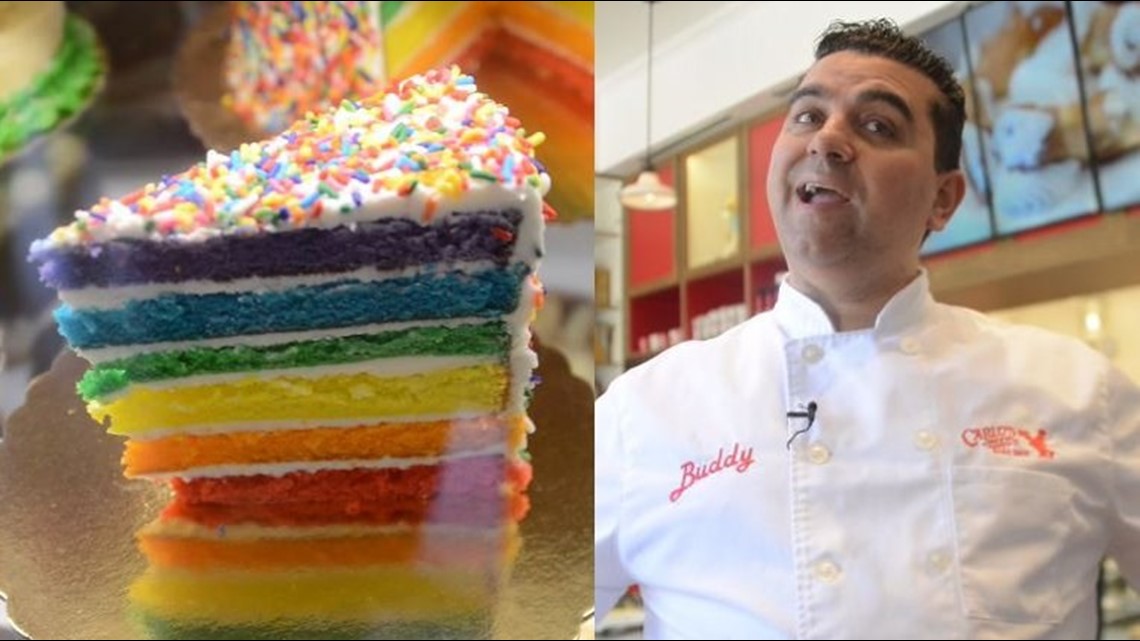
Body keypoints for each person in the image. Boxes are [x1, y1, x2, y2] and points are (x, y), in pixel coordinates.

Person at [594, 18, 1140, 640]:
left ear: (944, 199)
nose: (827, 139)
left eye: (877, 125)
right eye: (806, 116)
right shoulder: (645, 413)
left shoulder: (1076, 390)